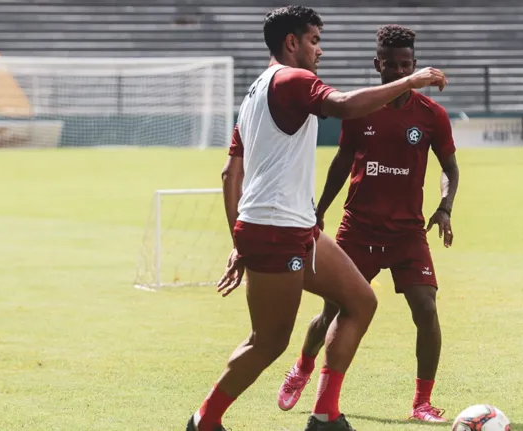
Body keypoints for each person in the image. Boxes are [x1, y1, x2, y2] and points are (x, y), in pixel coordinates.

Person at [186, 6, 448, 431]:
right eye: (313, 41)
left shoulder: (255, 90)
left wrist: (239, 238)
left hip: (291, 225)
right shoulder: (293, 79)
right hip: (276, 228)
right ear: (291, 42)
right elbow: (343, 105)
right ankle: (205, 420)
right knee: (268, 341)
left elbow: (229, 172)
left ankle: (326, 415)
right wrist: (410, 80)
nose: (319, 51)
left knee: (361, 301)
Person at [277, 24, 460, 423]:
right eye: (390, 65)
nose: (398, 72)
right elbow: (342, 162)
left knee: (426, 310)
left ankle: (421, 403)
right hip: (358, 229)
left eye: (406, 65)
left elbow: (449, 167)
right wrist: (320, 208)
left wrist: (445, 206)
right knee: (333, 311)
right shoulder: (360, 110)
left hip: (408, 232)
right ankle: (301, 370)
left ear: (413, 66)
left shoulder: (432, 115)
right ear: (377, 65)